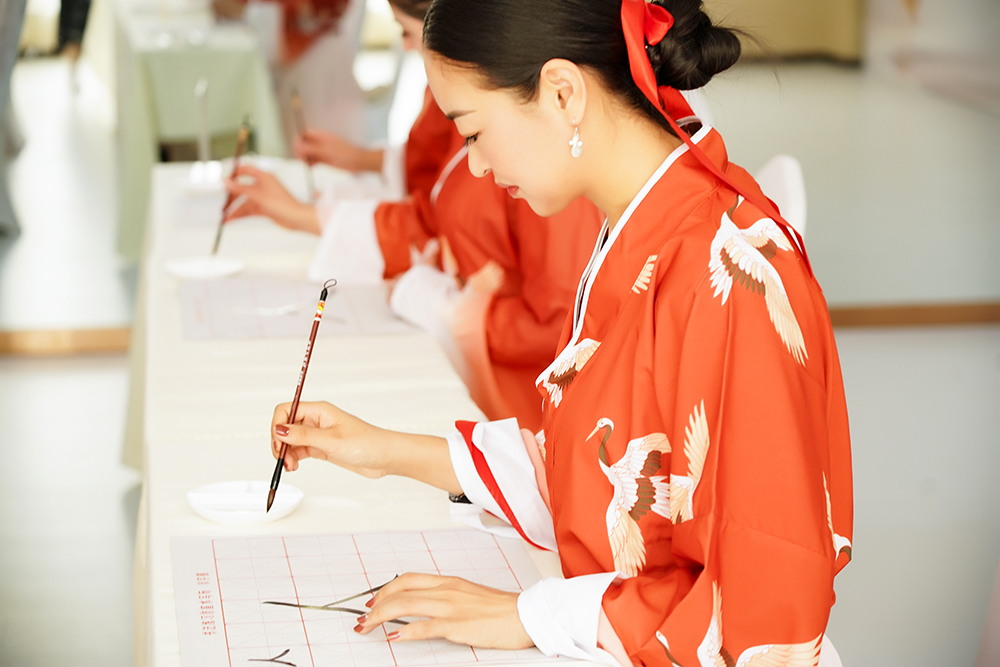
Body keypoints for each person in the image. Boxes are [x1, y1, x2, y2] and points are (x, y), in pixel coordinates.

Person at [268, 0, 853, 665]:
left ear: (563, 93)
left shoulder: (729, 272)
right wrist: (384, 451)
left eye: (473, 132)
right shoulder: (642, 222)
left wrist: (528, 613)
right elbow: (601, 473)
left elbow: (762, 611)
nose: (475, 167)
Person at [227, 0, 604, 431]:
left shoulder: (543, 165)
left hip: (520, 406)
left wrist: (453, 312)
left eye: (408, 32)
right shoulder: (498, 120)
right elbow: (435, 210)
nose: (475, 164)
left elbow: (557, 323)